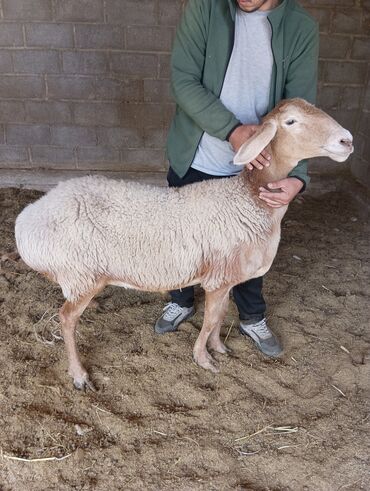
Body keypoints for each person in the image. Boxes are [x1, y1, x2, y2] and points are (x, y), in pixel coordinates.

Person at [154, 0, 319, 357]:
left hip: (259, 167)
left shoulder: (301, 27)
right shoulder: (205, 9)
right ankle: (180, 300)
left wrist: (298, 178)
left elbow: (302, 114)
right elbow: (183, 79)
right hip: (199, 154)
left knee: (250, 245)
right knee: (184, 238)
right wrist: (231, 130)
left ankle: (251, 316)